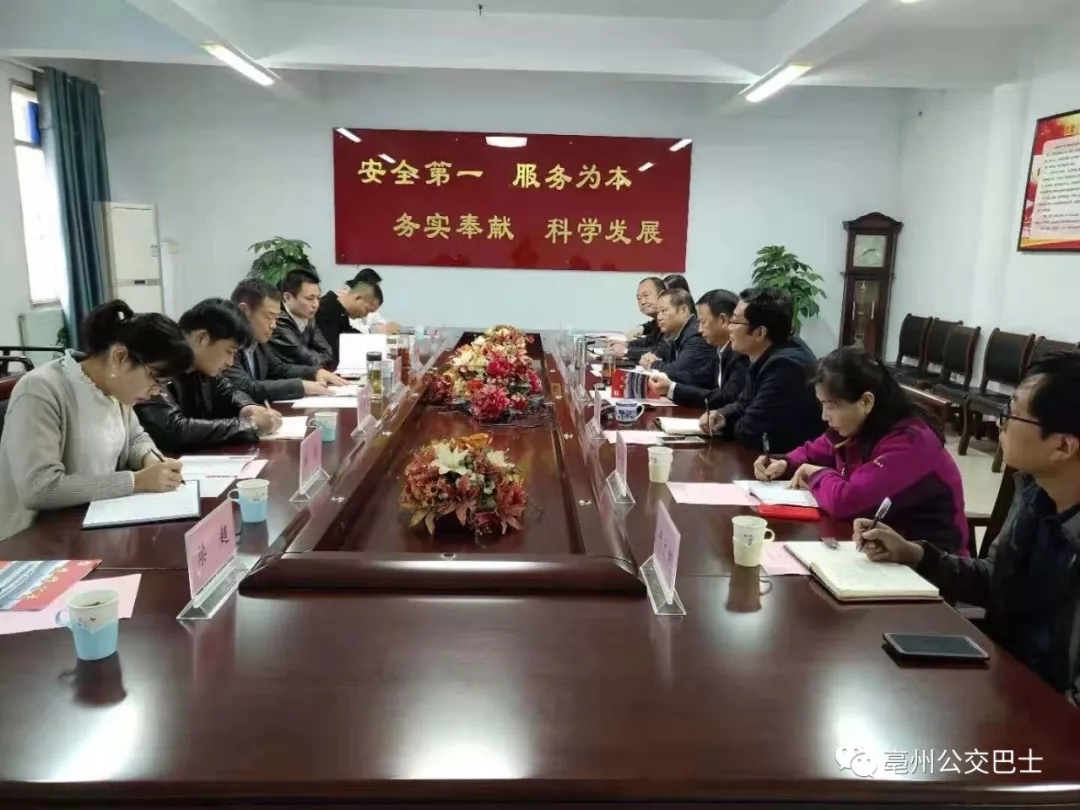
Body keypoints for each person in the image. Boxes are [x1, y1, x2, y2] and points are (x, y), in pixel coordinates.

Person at [855, 351, 1080, 702]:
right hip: (1002, 680)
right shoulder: (1035, 495)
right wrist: (914, 554)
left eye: (1011, 413)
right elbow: (997, 582)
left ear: (1063, 446)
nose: (1001, 424)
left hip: (1047, 716)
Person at [0, 301, 191, 541]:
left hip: (92, 524)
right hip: (34, 541)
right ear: (119, 357)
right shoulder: (41, 389)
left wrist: (150, 459)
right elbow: (39, 488)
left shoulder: (114, 389)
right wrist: (136, 481)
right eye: (154, 377)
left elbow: (135, 438)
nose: (156, 392)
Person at [755, 347, 967, 554]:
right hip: (878, 550)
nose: (824, 416)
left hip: (931, 564)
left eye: (831, 406)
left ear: (866, 402)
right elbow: (812, 452)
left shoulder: (910, 443)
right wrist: (784, 463)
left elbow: (845, 501)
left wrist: (815, 474)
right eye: (822, 405)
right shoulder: (857, 425)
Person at [136, 299, 281, 453]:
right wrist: (249, 426)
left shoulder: (203, 367)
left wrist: (246, 407)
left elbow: (229, 392)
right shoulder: (159, 363)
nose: (230, 362)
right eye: (229, 351)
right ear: (202, 338)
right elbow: (174, 430)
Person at [700, 287, 820, 453]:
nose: (729, 328)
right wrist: (722, 415)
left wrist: (730, 423)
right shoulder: (764, 352)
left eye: (735, 322)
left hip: (791, 462)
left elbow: (751, 431)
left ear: (760, 332)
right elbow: (743, 404)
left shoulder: (784, 366)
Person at [226, 278, 348, 403]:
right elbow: (245, 387)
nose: (274, 325)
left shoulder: (256, 341)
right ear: (244, 311)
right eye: (269, 317)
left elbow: (280, 369)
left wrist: (315, 372)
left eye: (276, 318)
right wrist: (300, 386)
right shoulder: (225, 343)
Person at [647, 289, 749, 409]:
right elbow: (696, 378)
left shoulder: (742, 354)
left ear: (723, 320)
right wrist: (660, 376)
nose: (699, 330)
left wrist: (672, 388)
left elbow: (727, 398)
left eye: (703, 322)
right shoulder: (721, 351)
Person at [637, 288, 717, 389]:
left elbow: (677, 371)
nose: (659, 317)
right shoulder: (675, 333)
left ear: (683, 311)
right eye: (658, 312)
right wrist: (648, 358)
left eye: (663, 311)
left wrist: (652, 363)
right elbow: (657, 354)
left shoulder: (697, 335)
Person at [268, 269, 335, 369]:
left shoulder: (308, 317)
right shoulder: (277, 321)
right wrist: (315, 356)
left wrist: (313, 356)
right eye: (310, 298)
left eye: (318, 298)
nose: (316, 304)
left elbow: (328, 353)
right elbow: (304, 359)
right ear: (287, 297)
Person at [314, 276, 380, 367]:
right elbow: (331, 354)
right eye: (367, 310)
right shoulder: (325, 311)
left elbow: (349, 334)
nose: (365, 316)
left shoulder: (341, 312)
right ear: (358, 298)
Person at [609, 277, 665, 363]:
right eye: (638, 298)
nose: (642, 302)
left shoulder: (671, 319)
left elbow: (660, 352)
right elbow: (648, 341)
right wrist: (626, 344)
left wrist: (626, 351)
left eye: (646, 295)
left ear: (662, 295)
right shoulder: (656, 321)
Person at [348, 268, 400, 334]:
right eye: (376, 289)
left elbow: (377, 318)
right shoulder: (350, 303)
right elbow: (352, 330)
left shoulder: (366, 305)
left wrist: (384, 326)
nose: (377, 293)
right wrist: (377, 329)